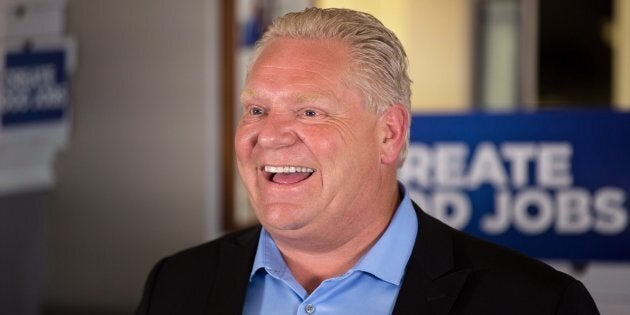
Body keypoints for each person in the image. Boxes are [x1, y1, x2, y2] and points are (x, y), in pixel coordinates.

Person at [136, 7, 599, 314]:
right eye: (257, 110)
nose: (269, 136)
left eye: (309, 112)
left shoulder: (537, 305)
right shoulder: (176, 286)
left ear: (389, 135)